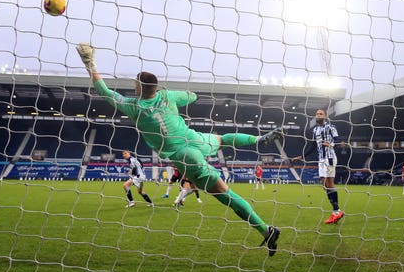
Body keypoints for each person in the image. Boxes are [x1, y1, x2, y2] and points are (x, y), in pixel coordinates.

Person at [77, 43, 281, 256]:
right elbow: (192, 96)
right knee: (222, 139)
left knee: (225, 195)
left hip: (184, 156)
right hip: (193, 138)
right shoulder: (168, 96)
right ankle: (258, 139)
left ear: (138, 87)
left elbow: (104, 91)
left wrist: (90, 63)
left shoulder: (134, 106)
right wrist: (177, 97)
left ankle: (266, 230)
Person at [291, 108, 344, 224]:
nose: (318, 115)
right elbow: (313, 146)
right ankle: (336, 211)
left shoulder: (331, 127)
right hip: (321, 160)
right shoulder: (315, 130)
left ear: (325, 116)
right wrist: (301, 156)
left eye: (320, 114)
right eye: (316, 114)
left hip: (329, 158)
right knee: (326, 185)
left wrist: (331, 144)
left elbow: (338, 140)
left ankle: (336, 211)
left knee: (328, 184)